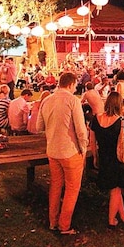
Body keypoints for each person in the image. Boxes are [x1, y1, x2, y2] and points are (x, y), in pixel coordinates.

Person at [37, 71, 88, 235]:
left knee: (56, 186)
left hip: (52, 150)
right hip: (70, 151)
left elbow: (38, 127)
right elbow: (81, 130)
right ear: (72, 84)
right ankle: (64, 225)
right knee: (72, 188)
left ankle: (53, 222)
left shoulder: (46, 100)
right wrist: (84, 149)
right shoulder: (73, 100)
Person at [89, 91, 124, 229]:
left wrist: (96, 156)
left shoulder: (96, 119)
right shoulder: (122, 122)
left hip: (104, 157)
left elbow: (92, 141)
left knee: (115, 189)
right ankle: (111, 221)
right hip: (118, 160)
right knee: (116, 190)